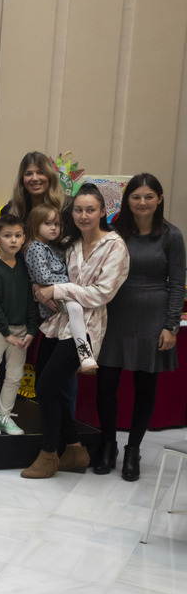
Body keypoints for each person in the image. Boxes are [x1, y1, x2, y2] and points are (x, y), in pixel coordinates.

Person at [23, 185, 130, 479]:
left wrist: (55, 289)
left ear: (102, 212)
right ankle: (73, 449)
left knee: (46, 387)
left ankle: (49, 456)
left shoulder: (115, 247)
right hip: (58, 324)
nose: (84, 216)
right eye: (79, 210)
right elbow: (45, 277)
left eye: (90, 210)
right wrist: (39, 289)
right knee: (47, 386)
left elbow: (101, 294)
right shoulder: (69, 243)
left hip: (87, 329)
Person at [94, 173, 184, 481]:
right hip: (114, 316)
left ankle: (133, 449)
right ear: (127, 200)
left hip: (153, 319)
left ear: (159, 199)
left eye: (149, 196)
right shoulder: (115, 232)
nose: (142, 202)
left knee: (145, 387)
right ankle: (108, 445)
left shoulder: (171, 236)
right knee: (106, 385)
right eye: (136, 196)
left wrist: (171, 326)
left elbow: (177, 285)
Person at [0, 212, 37, 436]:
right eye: (7, 235)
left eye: (18, 235)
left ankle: (5, 415)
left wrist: (31, 330)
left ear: (24, 238)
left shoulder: (24, 266)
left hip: (21, 330)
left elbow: (31, 299)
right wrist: (5, 332)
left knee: (14, 375)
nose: (13, 240)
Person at [25, 203, 97, 371]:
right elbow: (43, 276)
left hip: (60, 294)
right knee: (76, 310)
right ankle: (84, 354)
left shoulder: (54, 247)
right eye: (48, 224)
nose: (54, 228)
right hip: (52, 299)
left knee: (78, 311)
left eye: (57, 224)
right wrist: (69, 284)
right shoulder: (36, 247)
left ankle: (83, 355)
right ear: (35, 225)